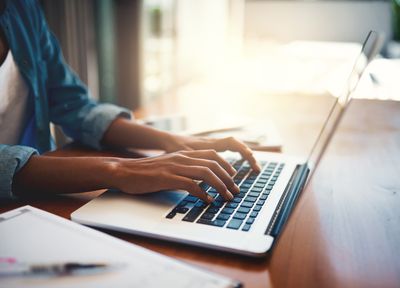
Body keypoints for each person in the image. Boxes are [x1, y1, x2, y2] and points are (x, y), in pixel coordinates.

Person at [0, 0, 260, 202]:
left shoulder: (22, 8)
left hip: (44, 197)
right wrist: (120, 170)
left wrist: (171, 141)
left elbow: (75, 105)